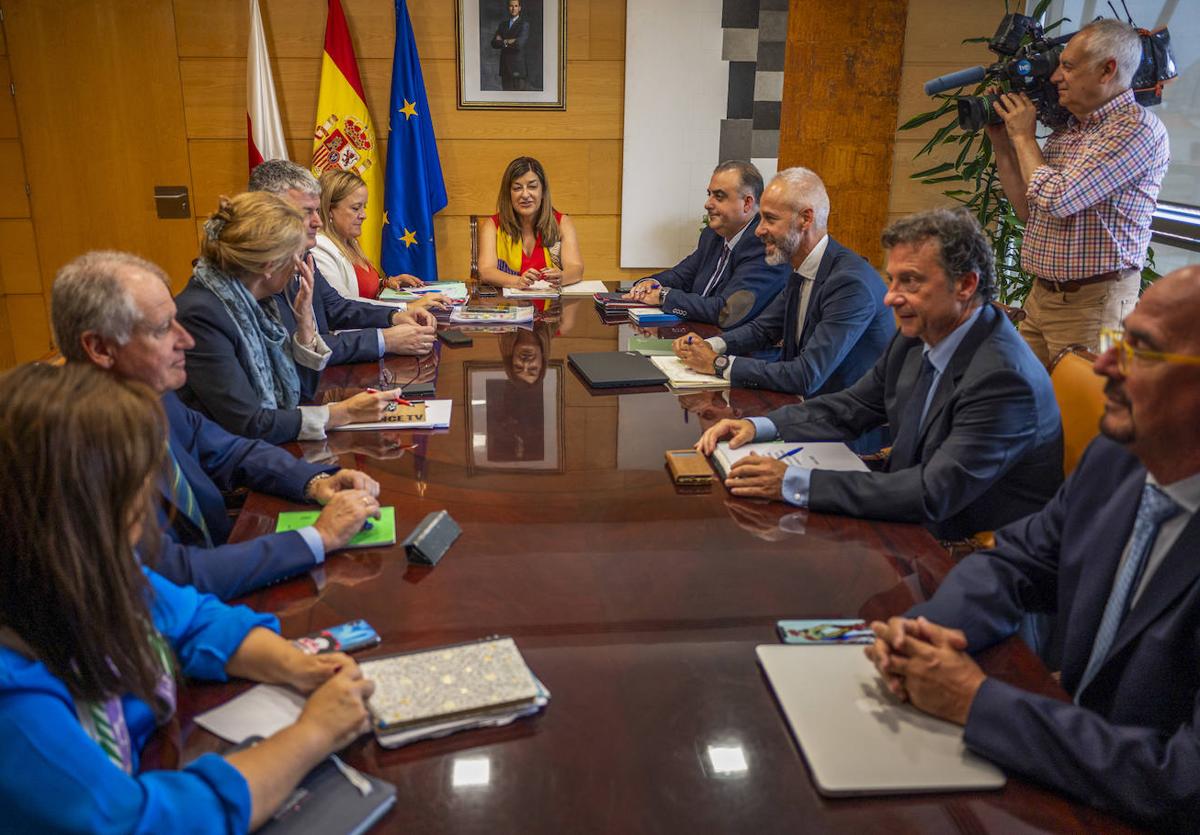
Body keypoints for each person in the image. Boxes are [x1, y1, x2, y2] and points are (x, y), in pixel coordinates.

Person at [865, 266, 1200, 830]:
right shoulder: (1116, 460)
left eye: (1142, 349)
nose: (1105, 365)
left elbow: (1181, 782)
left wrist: (975, 701)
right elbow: (1016, 560)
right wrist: (925, 636)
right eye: (1121, 338)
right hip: (1063, 760)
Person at [0, 362, 376, 833]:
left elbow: (190, 619)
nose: (146, 514)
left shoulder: (80, 572)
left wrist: (297, 665)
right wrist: (313, 734)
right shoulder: (13, 704)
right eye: (134, 498)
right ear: (73, 518)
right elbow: (141, 822)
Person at [696, 208, 1063, 541]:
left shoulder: (1004, 378)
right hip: (905, 506)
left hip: (971, 548)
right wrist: (762, 426)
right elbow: (852, 407)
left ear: (966, 285)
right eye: (892, 280)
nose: (890, 298)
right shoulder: (920, 334)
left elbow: (931, 493)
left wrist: (793, 482)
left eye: (911, 282)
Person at [52, 250, 383, 599]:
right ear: (100, 348)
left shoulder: (149, 392)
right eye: (163, 328)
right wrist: (319, 538)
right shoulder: (73, 449)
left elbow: (231, 450)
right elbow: (175, 576)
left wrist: (314, 481)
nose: (186, 340)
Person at [989, 18, 1169, 365]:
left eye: (1068, 67)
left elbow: (1058, 199)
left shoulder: (1135, 129)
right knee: (1025, 400)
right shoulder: (1069, 131)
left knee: (1083, 411)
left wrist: (1024, 137)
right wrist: (1003, 143)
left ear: (1107, 70)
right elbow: (1031, 210)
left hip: (1095, 304)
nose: (1056, 77)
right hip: (1042, 296)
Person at [176, 192, 398, 444]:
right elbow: (249, 423)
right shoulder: (203, 315)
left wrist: (305, 327)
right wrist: (342, 413)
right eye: (295, 256)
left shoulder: (257, 300)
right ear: (270, 266)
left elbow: (300, 393)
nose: (298, 266)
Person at [672, 167, 894, 404]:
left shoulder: (850, 283)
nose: (758, 230)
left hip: (847, 429)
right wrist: (709, 345)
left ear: (806, 219)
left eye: (770, 219)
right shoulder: (803, 267)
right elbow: (763, 330)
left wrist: (718, 363)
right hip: (803, 410)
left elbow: (806, 374)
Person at [250, 160, 440, 398]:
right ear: (271, 214)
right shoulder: (256, 277)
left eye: (317, 211)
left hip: (315, 393)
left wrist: (395, 315)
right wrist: (384, 340)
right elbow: (293, 352)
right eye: (307, 212)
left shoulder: (302, 254)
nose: (317, 222)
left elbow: (336, 306)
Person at [625, 161, 790, 329]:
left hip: (739, 349)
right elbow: (681, 276)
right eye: (709, 194)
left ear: (747, 203)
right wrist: (650, 283)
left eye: (719, 197)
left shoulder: (765, 245)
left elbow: (725, 311)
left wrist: (663, 296)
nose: (708, 204)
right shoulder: (712, 236)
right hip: (698, 338)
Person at [477, 156, 584, 289]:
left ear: (543, 191)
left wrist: (562, 276)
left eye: (532, 187)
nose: (525, 195)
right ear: (508, 194)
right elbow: (486, 271)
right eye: (517, 188)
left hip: (552, 307)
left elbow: (576, 269)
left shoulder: (562, 223)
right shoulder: (493, 225)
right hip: (509, 305)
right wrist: (517, 281)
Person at [491, 0, 529, 91]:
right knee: (505, 99)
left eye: (516, 6)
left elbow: (519, 44)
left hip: (517, 69)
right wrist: (508, 41)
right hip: (505, 69)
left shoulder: (524, 25)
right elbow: (494, 43)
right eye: (511, 6)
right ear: (508, 8)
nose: (513, 9)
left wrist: (502, 41)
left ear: (519, 8)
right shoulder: (502, 25)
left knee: (518, 100)